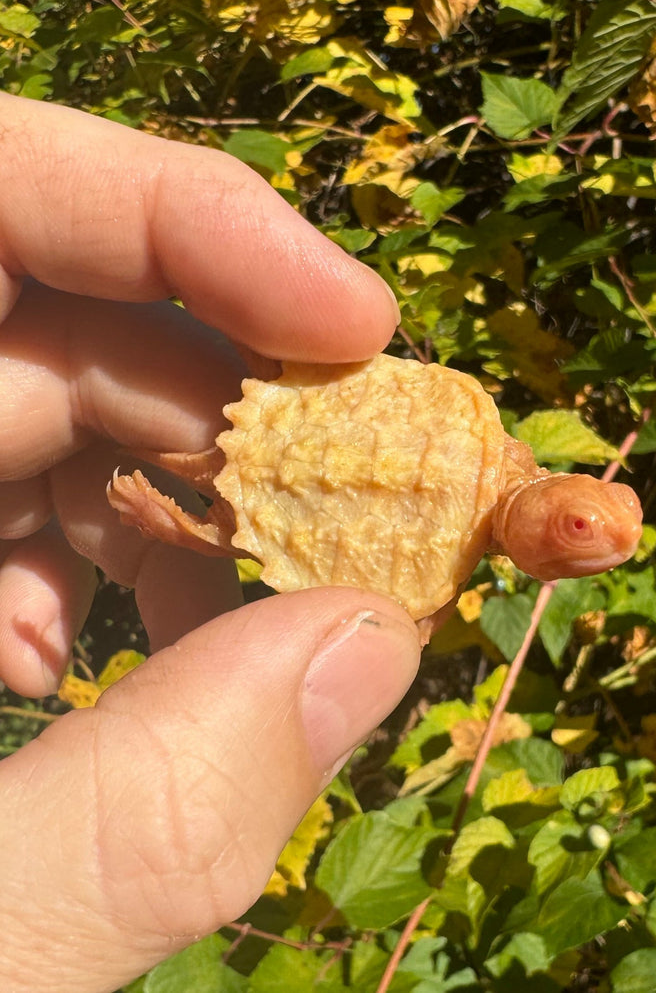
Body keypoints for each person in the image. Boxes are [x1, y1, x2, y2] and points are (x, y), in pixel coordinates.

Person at [0, 92, 421, 992]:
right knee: (213, 498)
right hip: (286, 458)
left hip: (278, 488)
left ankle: (167, 514)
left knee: (217, 512)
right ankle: (167, 514)